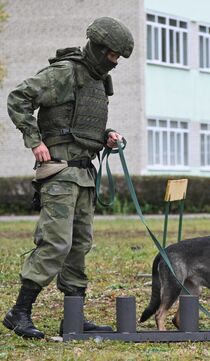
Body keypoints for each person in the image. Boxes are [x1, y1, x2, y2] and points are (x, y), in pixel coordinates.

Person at [2, 17, 134, 339]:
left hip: (84, 175)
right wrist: (34, 140)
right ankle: (19, 312)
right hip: (60, 174)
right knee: (56, 242)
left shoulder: (97, 81)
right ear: (99, 48)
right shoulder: (64, 73)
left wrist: (107, 136)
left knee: (79, 245)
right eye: (113, 56)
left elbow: (80, 127)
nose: (114, 63)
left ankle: (73, 318)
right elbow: (18, 98)